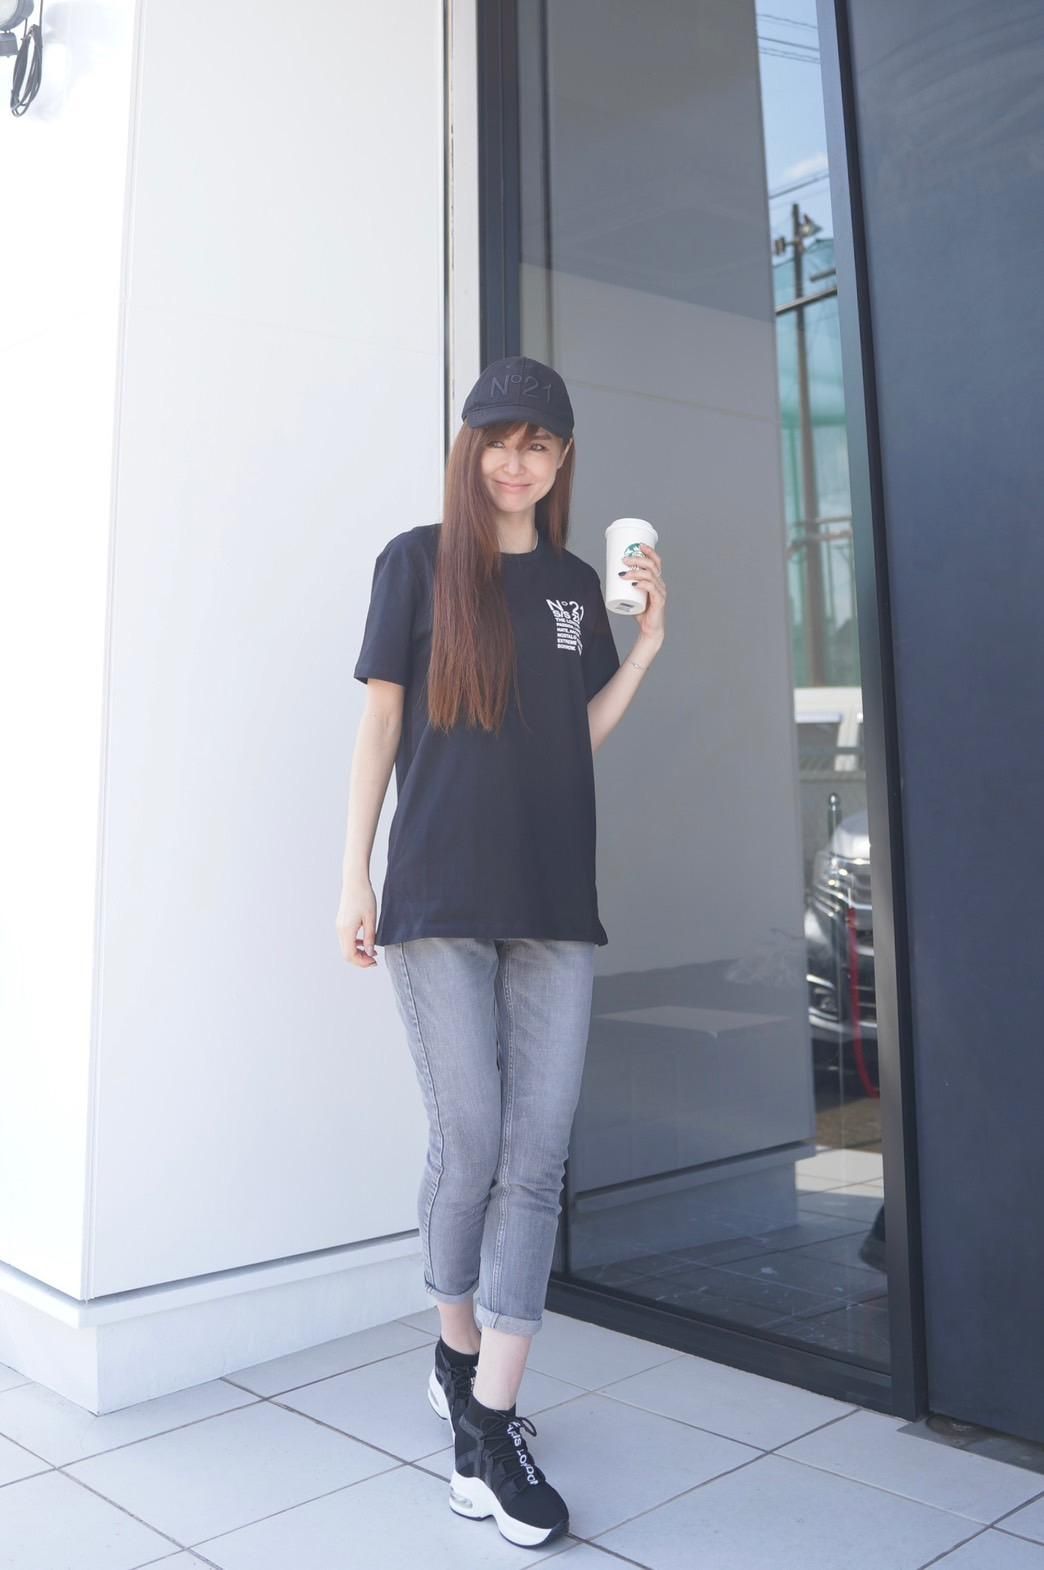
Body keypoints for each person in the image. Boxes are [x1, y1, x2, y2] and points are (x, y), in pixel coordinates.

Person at [335, 354, 667, 1547]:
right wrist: (353, 873)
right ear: (470, 448)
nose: (515, 462)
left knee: (538, 1155)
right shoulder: (416, 562)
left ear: (562, 459)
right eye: (497, 440)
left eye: (538, 444)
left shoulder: (577, 587)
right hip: (436, 897)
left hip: (553, 904)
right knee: (470, 1138)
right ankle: (454, 1344)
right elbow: (382, 720)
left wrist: (646, 648)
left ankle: (488, 1420)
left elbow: (572, 736)